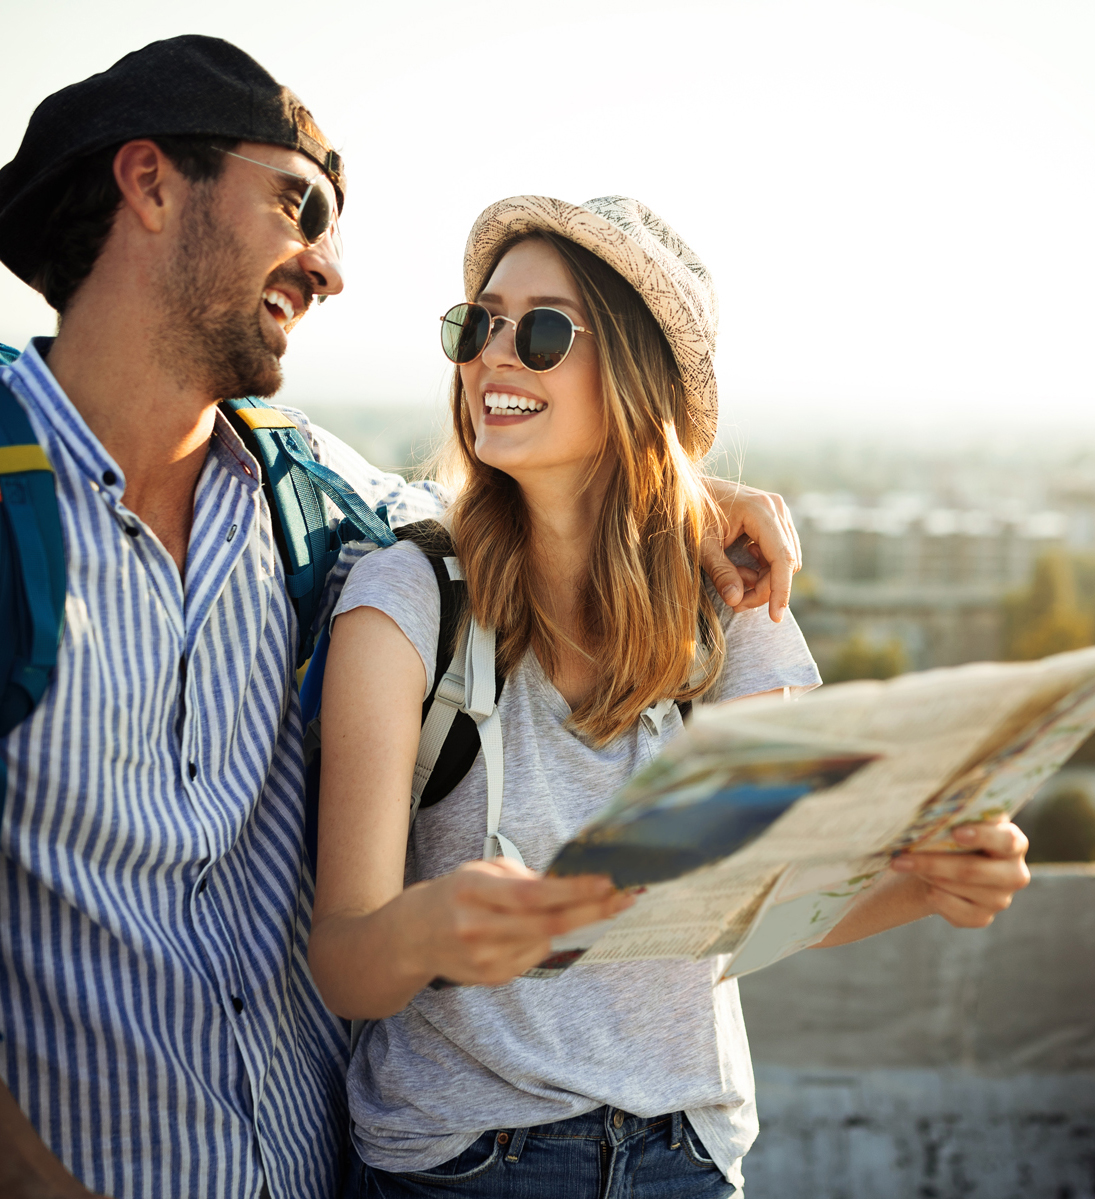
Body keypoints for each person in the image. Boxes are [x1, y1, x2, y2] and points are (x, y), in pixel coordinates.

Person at [0, 38, 805, 1199]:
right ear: (151, 183)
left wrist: (681, 487)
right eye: (297, 204)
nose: (327, 268)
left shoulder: (311, 501)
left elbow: (518, 506)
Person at [308, 195, 1031, 1199]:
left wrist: (929, 878)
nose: (492, 355)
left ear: (637, 375)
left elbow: (750, 899)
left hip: (686, 1157)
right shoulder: (405, 596)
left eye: (544, 329)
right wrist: (430, 928)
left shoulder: (735, 601)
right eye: (477, 322)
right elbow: (343, 956)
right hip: (464, 1166)